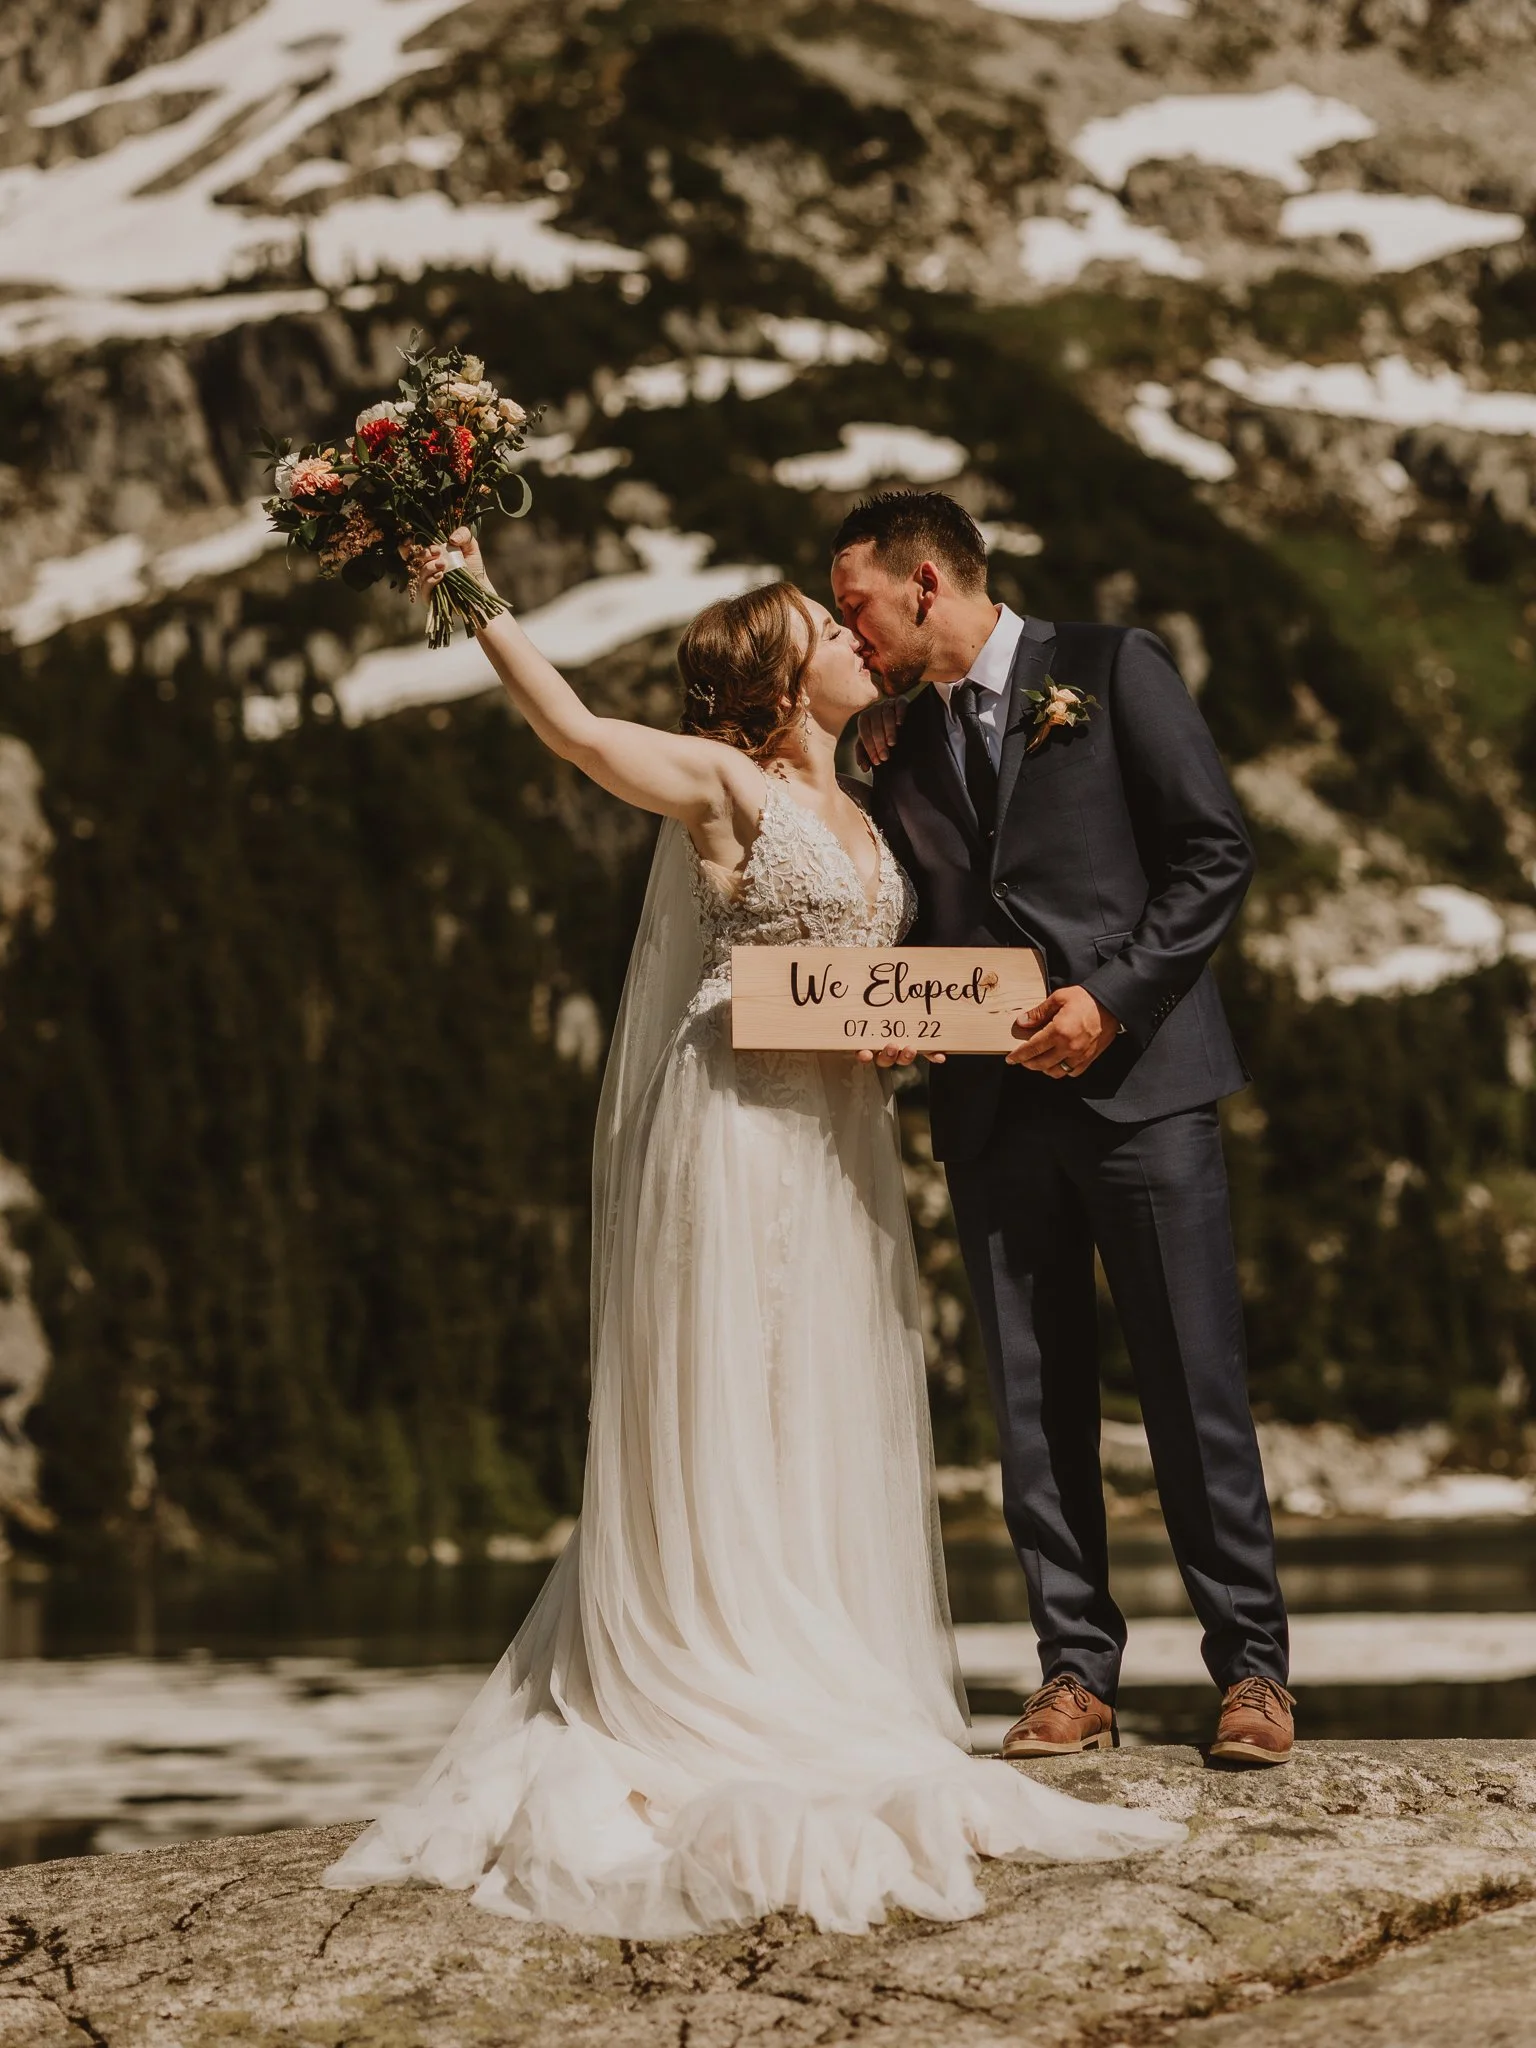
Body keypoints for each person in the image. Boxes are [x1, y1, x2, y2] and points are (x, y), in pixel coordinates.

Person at [323, 527, 1183, 1938]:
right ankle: (713, 1659)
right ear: (778, 681)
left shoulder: (864, 799)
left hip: (839, 1138)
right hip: (732, 1131)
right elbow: (574, 730)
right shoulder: (724, 783)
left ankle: (820, 1649)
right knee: (730, 1386)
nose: (853, 641)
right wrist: (464, 585)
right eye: (823, 633)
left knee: (822, 1400)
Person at [836, 491, 1292, 1768]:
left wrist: (1115, 999)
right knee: (1032, 1404)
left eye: (855, 603)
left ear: (926, 582)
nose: (847, 629)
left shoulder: (1108, 665)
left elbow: (1213, 854)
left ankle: (1252, 1670)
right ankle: (1075, 1673)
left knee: (1192, 1383)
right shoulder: (898, 748)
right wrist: (904, 1010)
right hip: (991, 1111)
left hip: (1141, 1085)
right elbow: (930, 919)